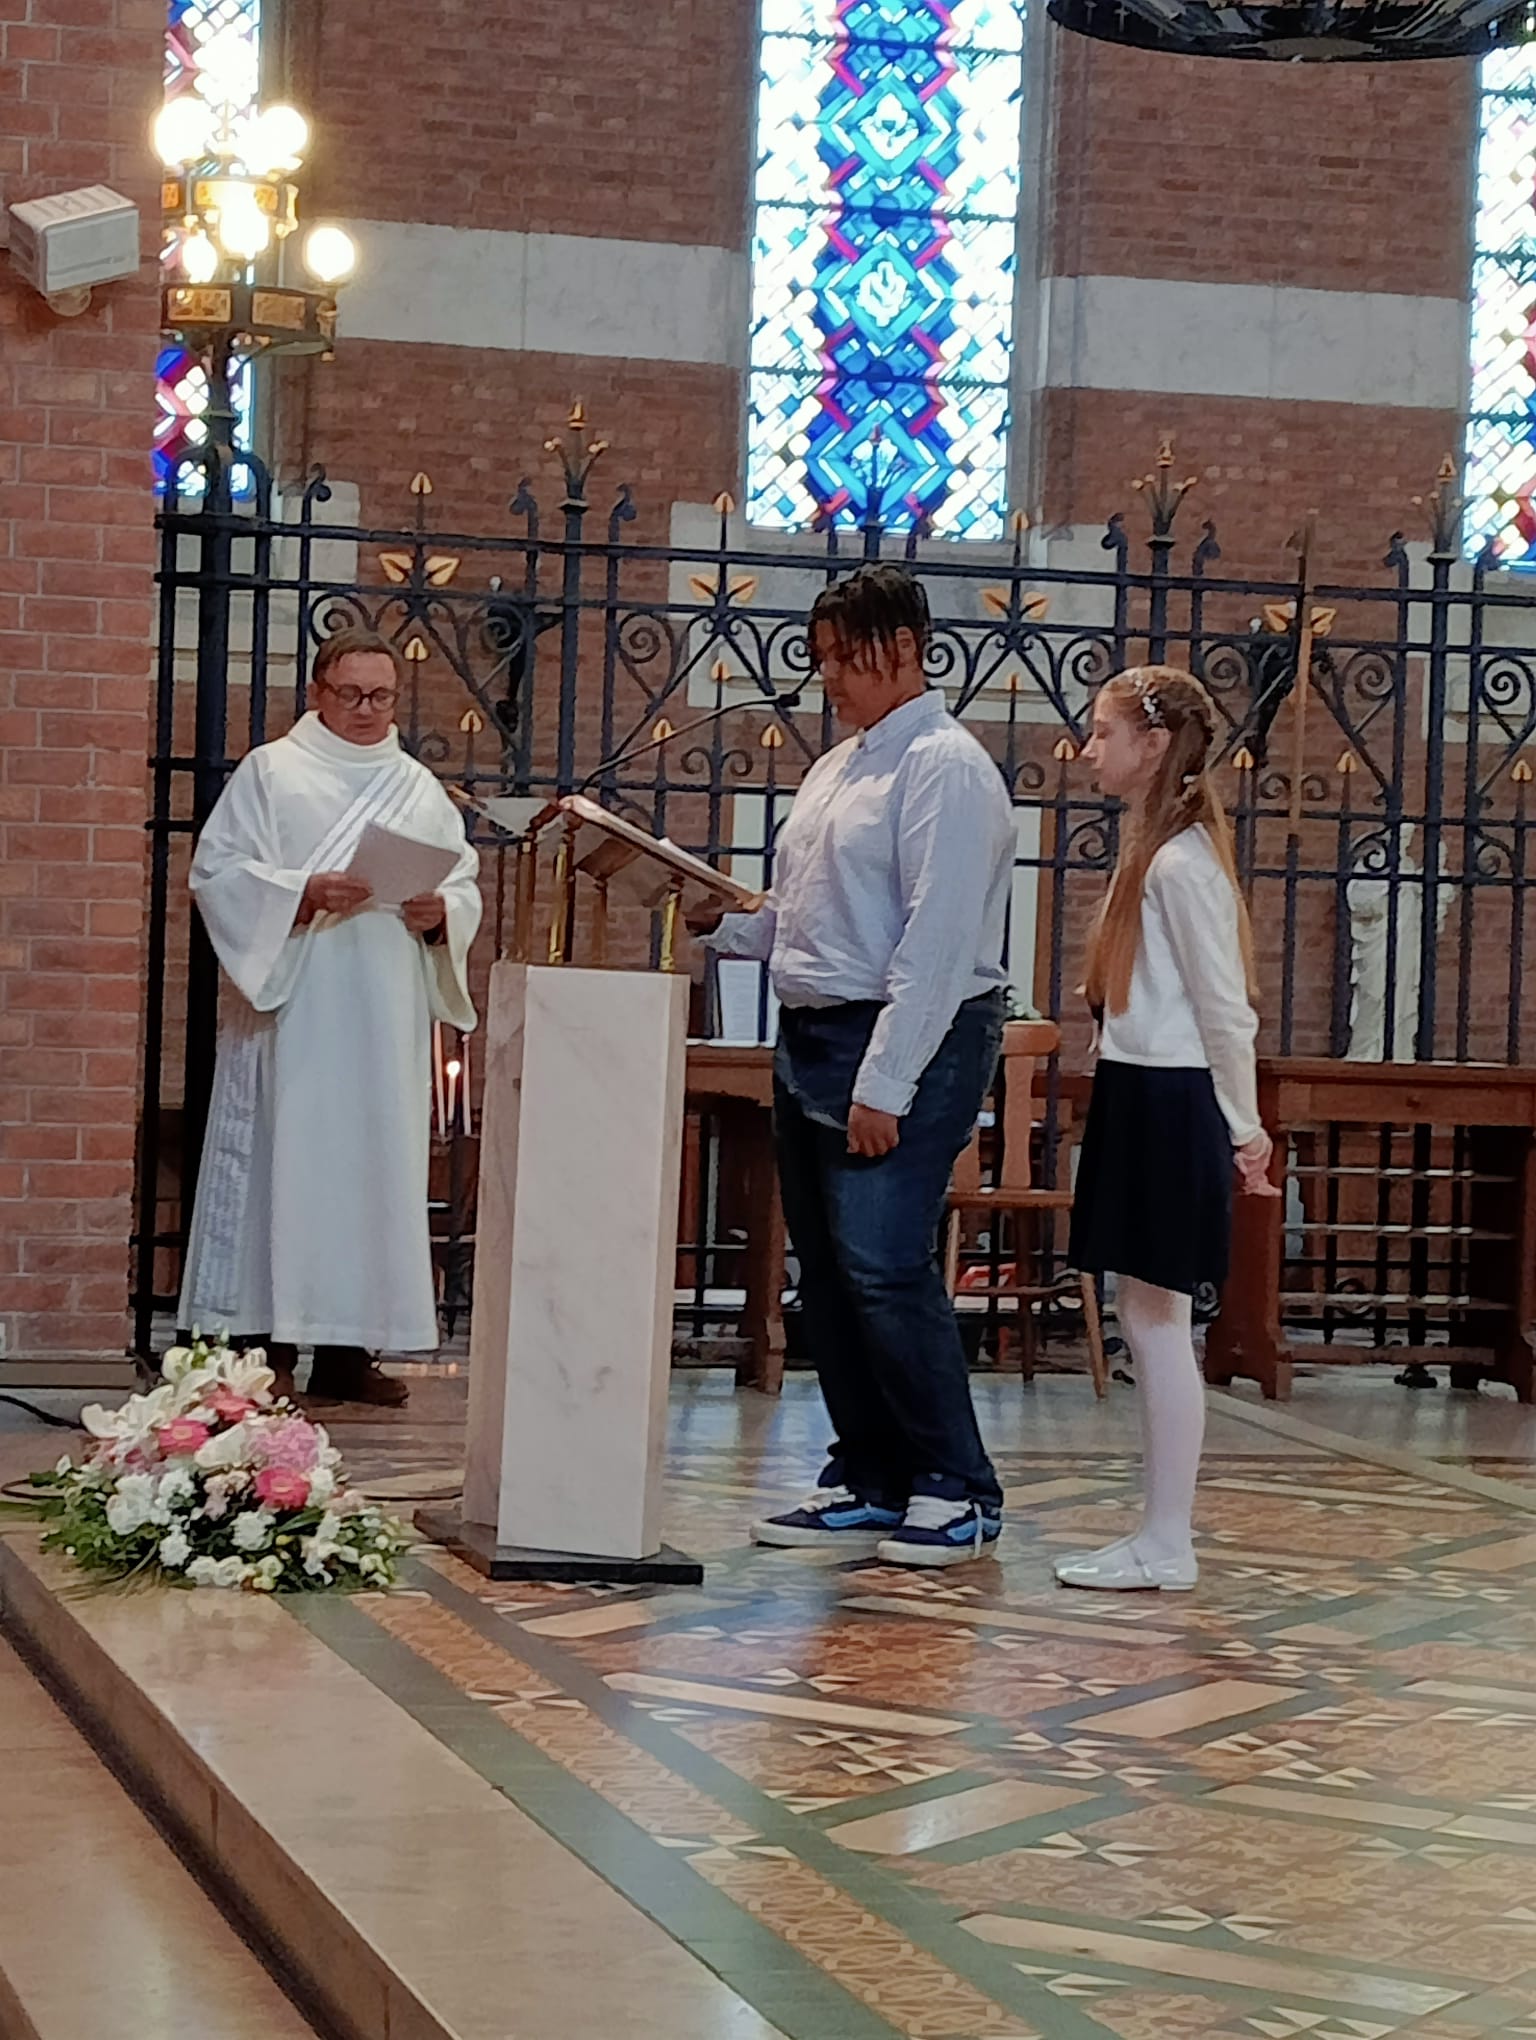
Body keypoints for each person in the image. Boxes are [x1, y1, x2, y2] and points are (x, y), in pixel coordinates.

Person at [692, 564, 1015, 1567]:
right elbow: (817, 919)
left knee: (883, 1263)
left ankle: (957, 1488)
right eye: (821, 656)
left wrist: (885, 1084)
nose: (828, 676)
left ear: (905, 647)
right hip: (815, 1034)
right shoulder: (838, 768)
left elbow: (935, 941)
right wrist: (726, 923)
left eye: (844, 656)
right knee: (828, 1272)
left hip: (910, 1036)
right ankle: (871, 1474)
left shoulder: (946, 766)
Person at [177, 627, 482, 1406]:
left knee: (372, 1171)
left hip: (385, 1009)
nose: (367, 709)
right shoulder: (272, 772)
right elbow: (217, 873)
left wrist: (440, 913)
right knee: (291, 1163)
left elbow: (462, 882)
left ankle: (348, 1353)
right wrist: (302, 892)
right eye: (351, 694)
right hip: (300, 1003)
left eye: (381, 696)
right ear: (317, 692)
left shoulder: (417, 786)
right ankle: (268, 1347)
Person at [1057, 666, 1278, 1593]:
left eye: (1104, 734)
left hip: (1171, 1097)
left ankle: (1167, 1540)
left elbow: (1226, 1010)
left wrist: (1246, 1129)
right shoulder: (1153, 855)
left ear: (1153, 746)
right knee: (1145, 1318)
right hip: (1140, 1088)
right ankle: (1156, 1533)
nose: (1089, 751)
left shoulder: (1183, 865)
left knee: (1157, 1323)